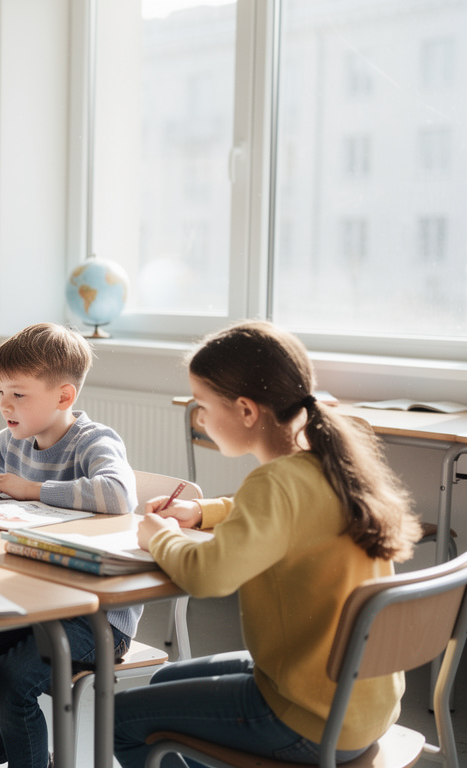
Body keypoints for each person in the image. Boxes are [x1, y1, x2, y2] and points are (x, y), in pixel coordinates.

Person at [113, 320, 423, 768]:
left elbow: (209, 575)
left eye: (202, 405)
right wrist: (206, 512)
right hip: (359, 704)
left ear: (245, 410)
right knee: (160, 682)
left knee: (120, 717)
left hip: (308, 718)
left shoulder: (274, 482)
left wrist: (162, 537)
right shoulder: (325, 463)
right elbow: (280, 513)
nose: (199, 418)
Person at [0, 322, 137, 768]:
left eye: (18, 394)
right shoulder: (14, 440)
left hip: (94, 616)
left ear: (63, 396)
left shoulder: (94, 440)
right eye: (1, 392)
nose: (4, 405)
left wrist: (33, 490)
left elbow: (117, 492)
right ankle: (26, 755)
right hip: (34, 600)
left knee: (8, 686)